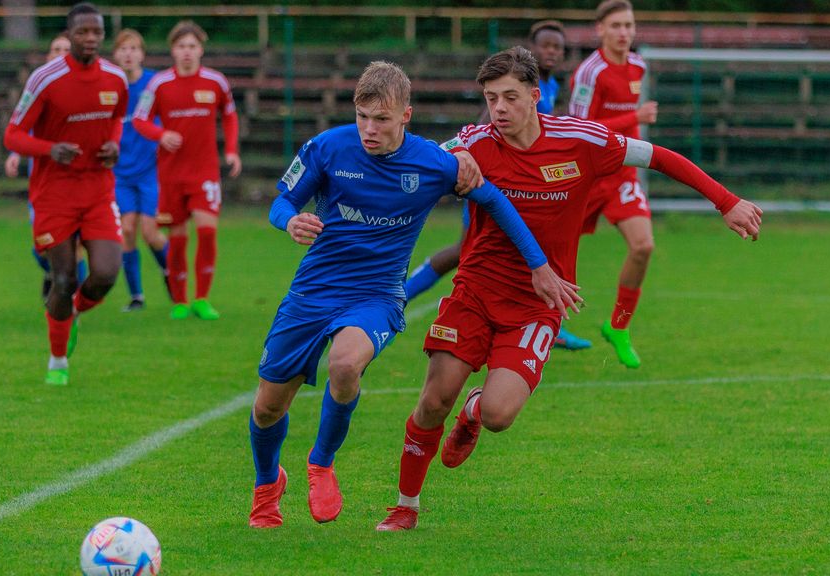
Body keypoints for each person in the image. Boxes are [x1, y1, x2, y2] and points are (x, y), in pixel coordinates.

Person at [376, 47, 762, 531]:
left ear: (535, 96)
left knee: (497, 415)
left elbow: (658, 157)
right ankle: (405, 506)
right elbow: (415, 164)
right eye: (491, 98)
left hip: (539, 301)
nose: (499, 108)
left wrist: (726, 202)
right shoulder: (473, 143)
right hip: (474, 291)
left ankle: (473, 411)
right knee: (434, 400)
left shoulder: (581, 140)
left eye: (510, 97)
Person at [246, 61, 581, 529]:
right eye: (362, 117)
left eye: (381, 119)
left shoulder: (432, 164)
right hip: (314, 289)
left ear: (406, 115)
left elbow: (495, 201)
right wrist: (290, 220)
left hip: (377, 295)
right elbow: (282, 201)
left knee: (345, 364)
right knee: (268, 407)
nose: (369, 129)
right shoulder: (327, 147)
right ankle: (268, 485)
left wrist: (538, 265)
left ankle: (321, 463)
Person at [402, 20, 591, 350]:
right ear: (532, 48)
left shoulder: (549, 87)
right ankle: (402, 297)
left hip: (523, 188)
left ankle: (544, 321)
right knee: (467, 252)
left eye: (558, 48)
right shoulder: (510, 88)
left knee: (528, 249)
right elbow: (484, 129)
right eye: (545, 45)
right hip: (491, 184)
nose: (552, 52)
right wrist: (468, 157)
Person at [3, 2, 128, 386]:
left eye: (97, 32)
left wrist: (114, 145)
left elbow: (117, 121)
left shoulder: (115, 79)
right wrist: (49, 149)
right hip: (54, 193)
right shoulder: (45, 79)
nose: (90, 38)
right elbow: (13, 135)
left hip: (97, 189)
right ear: (69, 35)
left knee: (106, 273)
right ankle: (57, 358)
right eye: (82, 32)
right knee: (63, 278)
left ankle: (70, 312)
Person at [568, 0, 660, 368]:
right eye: (617, 25)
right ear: (600, 30)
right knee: (553, 249)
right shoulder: (590, 73)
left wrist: (632, 122)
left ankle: (618, 326)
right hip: (587, 176)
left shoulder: (638, 65)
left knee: (643, 246)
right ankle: (531, 321)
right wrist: (634, 118)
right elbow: (578, 130)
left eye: (629, 25)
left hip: (622, 174)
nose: (624, 32)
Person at [132, 20, 240, 321]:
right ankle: (179, 301)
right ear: (173, 50)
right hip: (171, 174)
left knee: (207, 231)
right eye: (181, 46)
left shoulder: (216, 82)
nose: (187, 51)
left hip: (204, 172)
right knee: (177, 237)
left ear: (201, 49)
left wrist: (231, 150)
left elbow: (230, 116)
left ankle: (202, 299)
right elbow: (139, 119)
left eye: (192, 46)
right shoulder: (159, 84)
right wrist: (161, 134)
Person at [4, 32, 77, 303]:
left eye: (66, 49)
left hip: (77, 180)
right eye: (56, 49)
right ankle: (52, 273)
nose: (61, 54)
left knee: (75, 244)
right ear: (48, 56)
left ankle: (71, 301)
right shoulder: (38, 89)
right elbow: (22, 128)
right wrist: (15, 153)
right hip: (44, 184)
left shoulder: (85, 90)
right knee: (42, 246)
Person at [112, 28, 170, 312]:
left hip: (150, 171)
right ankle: (136, 296)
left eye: (133, 48)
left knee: (151, 232)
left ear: (142, 54)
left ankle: (171, 272)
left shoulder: (154, 84)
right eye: (123, 49)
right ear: (115, 54)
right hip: (119, 172)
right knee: (126, 230)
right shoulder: (110, 86)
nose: (128, 54)